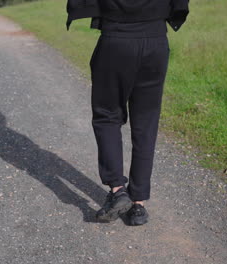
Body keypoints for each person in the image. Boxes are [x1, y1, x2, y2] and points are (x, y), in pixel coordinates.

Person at [66, 0, 189, 225]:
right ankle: (138, 205)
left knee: (107, 117)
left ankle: (118, 190)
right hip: (155, 42)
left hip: (116, 40)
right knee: (146, 123)